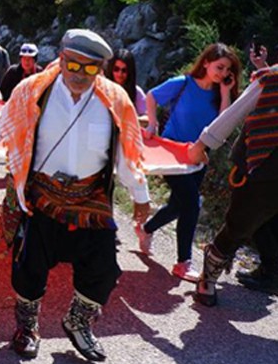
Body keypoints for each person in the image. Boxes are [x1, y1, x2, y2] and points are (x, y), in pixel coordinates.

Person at [0, 29, 151, 362]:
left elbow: (128, 154)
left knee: (104, 269)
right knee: (28, 269)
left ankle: (77, 323)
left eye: (91, 68)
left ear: (101, 68)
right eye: (74, 65)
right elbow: (2, 121)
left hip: (90, 199)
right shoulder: (33, 90)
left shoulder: (116, 101)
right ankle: (27, 328)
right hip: (41, 196)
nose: (80, 75)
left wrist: (141, 196)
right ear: (61, 59)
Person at [137, 43, 240, 281]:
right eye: (220, 67)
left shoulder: (218, 95)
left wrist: (226, 93)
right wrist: (152, 124)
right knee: (192, 204)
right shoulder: (183, 83)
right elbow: (152, 96)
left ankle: (146, 229)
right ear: (206, 62)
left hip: (198, 157)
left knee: (178, 206)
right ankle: (183, 263)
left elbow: (222, 123)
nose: (223, 73)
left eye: (227, 70)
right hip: (171, 154)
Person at [189, 60, 278, 305]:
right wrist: (203, 143)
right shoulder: (272, 78)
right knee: (238, 225)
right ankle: (209, 273)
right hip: (259, 168)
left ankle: (268, 272)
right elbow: (235, 112)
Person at [103, 49, 147, 118]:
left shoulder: (136, 92)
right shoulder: (102, 88)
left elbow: (147, 116)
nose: (120, 74)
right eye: (116, 69)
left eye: (124, 70)